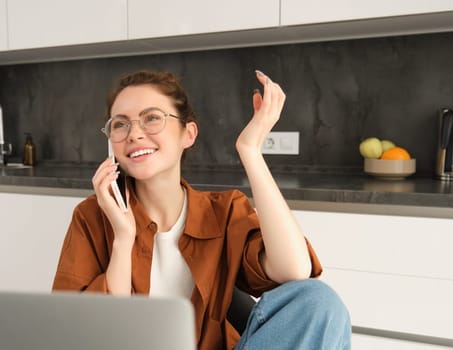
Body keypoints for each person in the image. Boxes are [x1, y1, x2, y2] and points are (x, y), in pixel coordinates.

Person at [52, 70, 351, 350]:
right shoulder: (92, 216)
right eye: (120, 123)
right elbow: (80, 334)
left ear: (188, 134)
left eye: (151, 118)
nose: (134, 134)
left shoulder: (223, 212)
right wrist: (123, 238)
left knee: (320, 301)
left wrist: (250, 152)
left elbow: (294, 270)